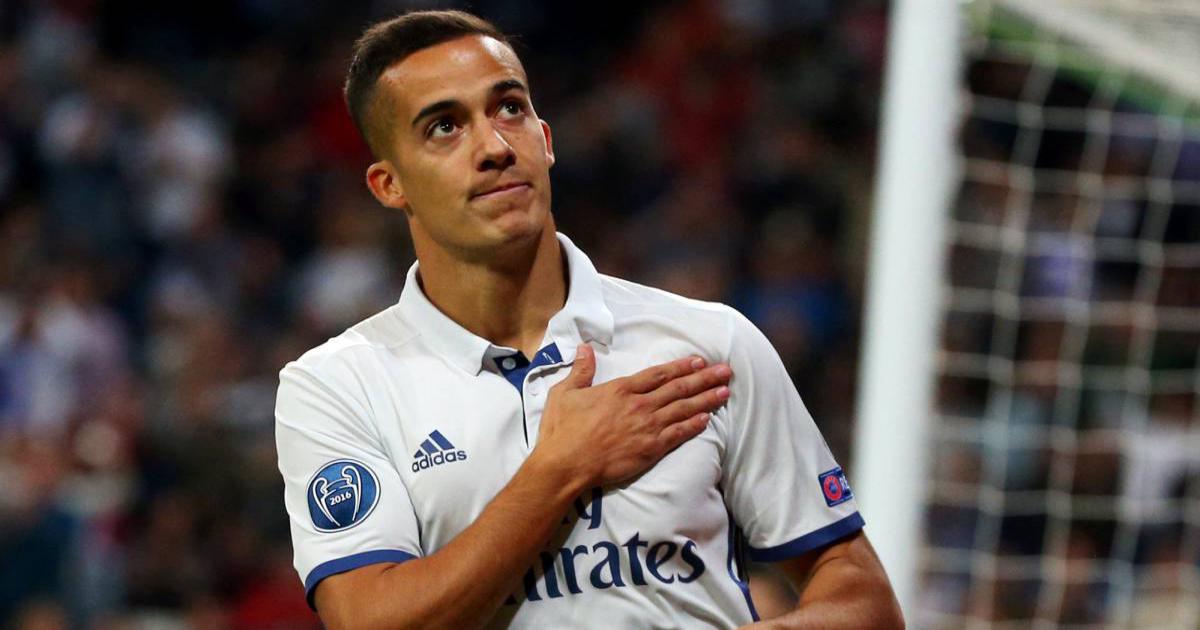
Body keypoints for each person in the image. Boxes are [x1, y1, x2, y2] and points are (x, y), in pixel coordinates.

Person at [274, 10, 903, 629]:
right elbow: (370, 620)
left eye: (509, 108)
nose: (494, 147)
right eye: (444, 126)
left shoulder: (709, 343)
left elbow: (865, 602)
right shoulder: (338, 387)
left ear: (545, 140)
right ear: (389, 185)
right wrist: (560, 469)